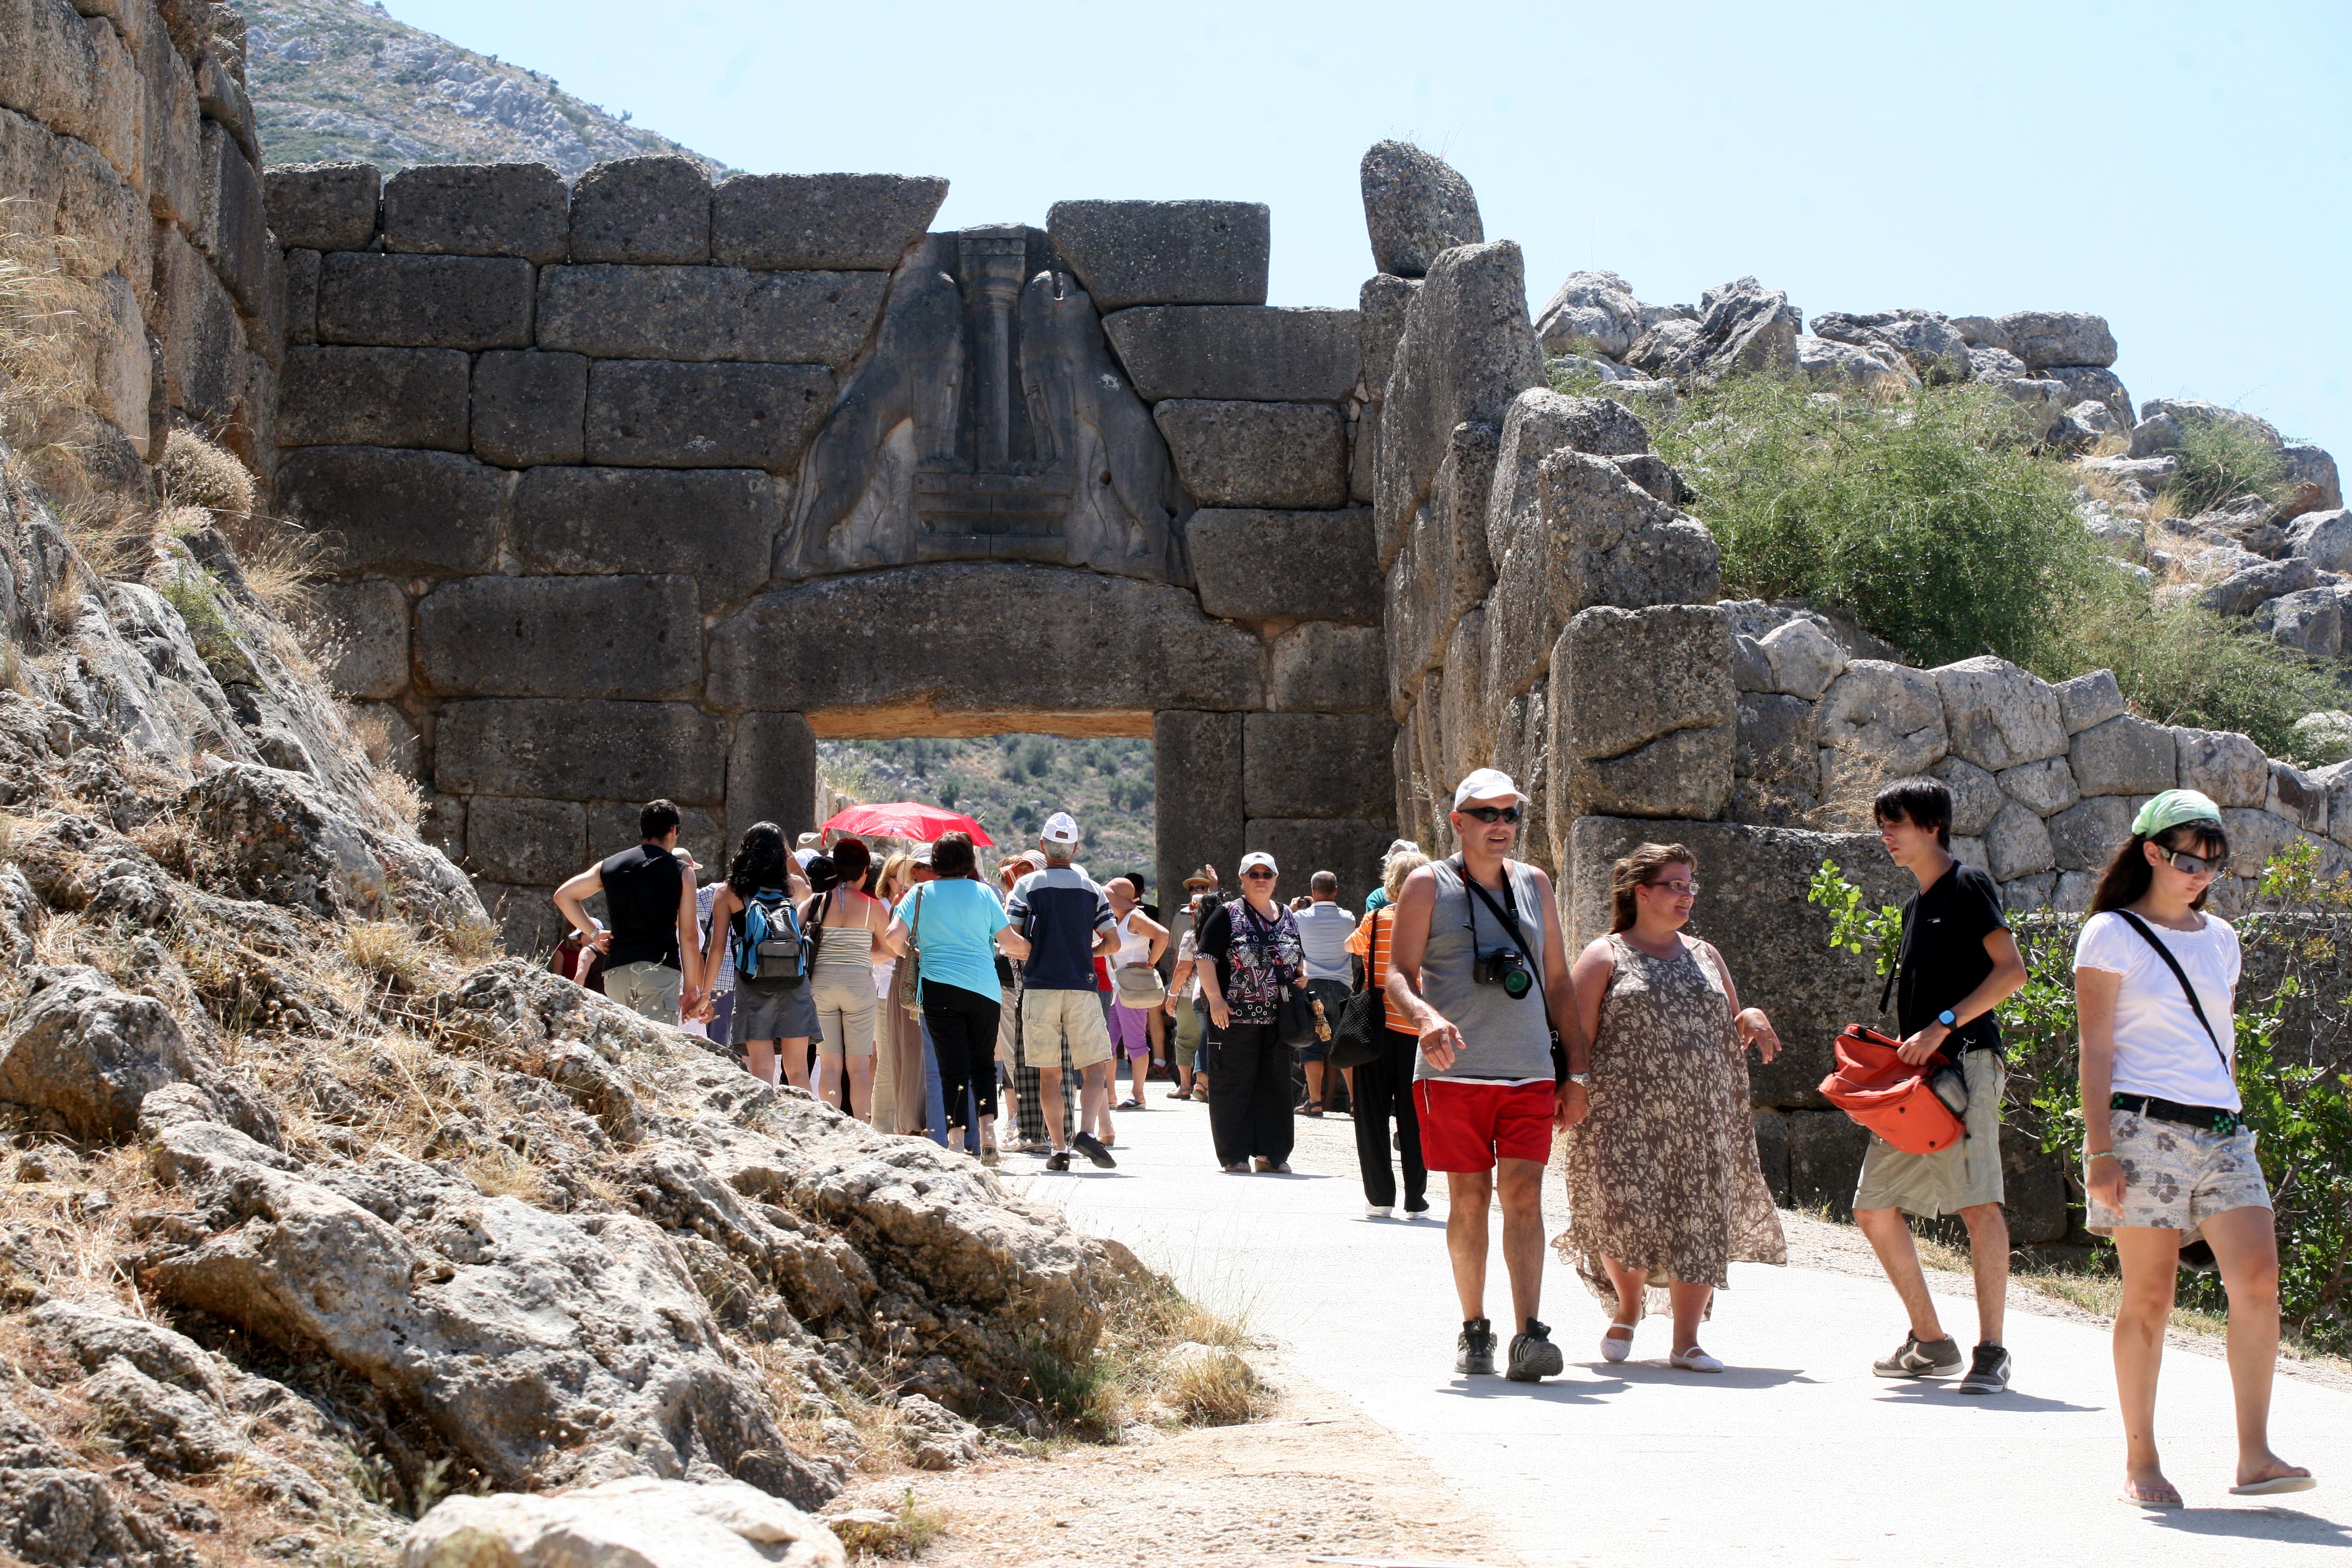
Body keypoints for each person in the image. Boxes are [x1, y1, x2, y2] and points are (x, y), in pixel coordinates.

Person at [2074, 790, 2313, 1506]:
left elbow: (2224, 1041)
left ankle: (2255, 1456)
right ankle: (2140, 1466)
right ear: (2151, 853)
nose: (2200, 873)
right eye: (2186, 860)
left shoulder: (2222, 938)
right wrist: (2098, 1151)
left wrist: (2236, 1114)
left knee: (2259, 1283)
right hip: (2143, 1129)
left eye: (2212, 862)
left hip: (2223, 1130)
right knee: (2149, 1294)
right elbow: (2095, 1047)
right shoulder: (2111, 933)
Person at [1384, 769, 1588, 1383]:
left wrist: (1576, 1072)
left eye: (1510, 814)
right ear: (1458, 822)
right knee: (1469, 1199)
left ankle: (1530, 1334)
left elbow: (1557, 980)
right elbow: (1397, 973)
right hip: (1454, 1074)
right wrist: (1425, 1017)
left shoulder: (1536, 884)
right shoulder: (1427, 884)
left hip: (1527, 1071)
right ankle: (1476, 1326)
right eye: (1487, 813)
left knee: (1524, 1193)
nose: (1501, 824)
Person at [1562, 843, 1788, 1373]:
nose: (1687, 895)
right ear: (1642, 892)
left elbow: (1727, 1026)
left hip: (1701, 1115)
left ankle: (1687, 1340)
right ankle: (1629, 1305)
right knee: (1623, 1211)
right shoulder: (1606, 954)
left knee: (1698, 1217)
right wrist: (1573, 1090)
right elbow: (1575, 1036)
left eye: (1691, 886)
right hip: (1624, 1113)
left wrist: (1751, 1015)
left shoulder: (1706, 954)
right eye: (1676, 885)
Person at [1856, 777, 2029, 1395]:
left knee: (1978, 1202)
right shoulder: (1914, 903)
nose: (1887, 836)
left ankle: (1993, 1349)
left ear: (1932, 825)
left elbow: (2013, 973)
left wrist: (1942, 1024)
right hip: (1920, 1080)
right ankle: (1930, 1340)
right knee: (1872, 1205)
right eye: (1883, 825)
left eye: (1896, 823)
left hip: (1968, 1066)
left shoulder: (1967, 885)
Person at [885, 832, 1013, 1164]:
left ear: (935, 862)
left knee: (951, 1067)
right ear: (970, 861)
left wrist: (914, 951)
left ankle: (956, 1142)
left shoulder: (920, 892)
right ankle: (988, 1133)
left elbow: (893, 938)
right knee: (984, 1062)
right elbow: (1008, 941)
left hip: (938, 987)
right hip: (984, 988)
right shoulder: (985, 893)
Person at [1006, 813, 1121, 1172]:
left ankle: (1058, 1150)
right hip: (1082, 987)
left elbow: (1012, 941)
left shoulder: (1025, 886)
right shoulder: (1092, 889)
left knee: (1049, 1075)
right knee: (1095, 1067)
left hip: (1040, 988)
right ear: (1074, 849)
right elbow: (1113, 942)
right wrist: (1088, 953)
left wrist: (1037, 954)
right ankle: (1086, 1131)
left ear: (1043, 847)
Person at [1196, 851, 1307, 1174]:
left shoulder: (1288, 915)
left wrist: (1303, 972)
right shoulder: (1226, 914)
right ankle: (1234, 1155)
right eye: (1254, 874)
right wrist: (1215, 999)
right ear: (1243, 879)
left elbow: (1298, 956)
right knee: (1234, 1085)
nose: (1261, 880)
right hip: (1234, 1017)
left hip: (1279, 1017)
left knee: (1276, 1087)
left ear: (1276, 879)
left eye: (1266, 874)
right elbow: (1205, 958)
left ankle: (1272, 1154)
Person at [554, 800, 704, 1025]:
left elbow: (563, 896)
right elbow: (689, 935)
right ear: (674, 831)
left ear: (642, 830)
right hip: (659, 971)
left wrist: (594, 933)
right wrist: (691, 988)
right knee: (657, 1053)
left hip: (617, 971)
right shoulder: (682, 871)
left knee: (623, 1049)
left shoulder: (610, 865)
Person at [698, 822, 819, 1088]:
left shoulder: (729, 892)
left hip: (752, 983)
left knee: (762, 1067)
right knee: (798, 1070)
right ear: (780, 853)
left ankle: (766, 1128)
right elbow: (809, 889)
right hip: (793, 980)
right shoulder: (791, 886)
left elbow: (717, 947)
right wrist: (787, 853)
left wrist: (705, 995)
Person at [1347, 848, 1430, 1218]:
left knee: (1372, 1116)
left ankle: (1380, 1198)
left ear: (1392, 884)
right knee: (1415, 1120)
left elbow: (1351, 947)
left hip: (1374, 1030)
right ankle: (1417, 1199)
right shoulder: (1437, 923)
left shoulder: (1377, 918)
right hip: (1416, 1031)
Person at [804, 836, 892, 1121]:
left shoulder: (817, 901)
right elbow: (891, 950)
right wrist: (867, 955)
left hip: (821, 985)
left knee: (829, 1064)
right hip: (859, 987)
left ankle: (831, 1126)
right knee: (858, 1067)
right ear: (866, 870)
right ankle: (863, 1127)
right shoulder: (872, 906)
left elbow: (795, 933)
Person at [1294, 870, 1357, 1116]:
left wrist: (1295, 909)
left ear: (1313, 892)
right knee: (1343, 1044)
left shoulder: (1300, 917)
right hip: (1342, 986)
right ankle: (1354, 1102)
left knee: (1311, 1043)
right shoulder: (1348, 918)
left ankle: (1315, 1100)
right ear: (1336, 892)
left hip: (1312, 986)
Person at [1105, 877, 1169, 1113]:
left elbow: (1163, 934)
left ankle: (1138, 1094)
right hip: (1115, 987)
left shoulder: (1135, 917)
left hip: (1132, 987)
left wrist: (1150, 963)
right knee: (1107, 1044)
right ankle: (1110, 1095)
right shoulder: (1113, 919)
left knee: (1135, 1043)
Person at [871, 851, 919, 1132]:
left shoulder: (914, 904)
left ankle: (905, 1121)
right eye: (899, 877)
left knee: (908, 1059)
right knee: (888, 1060)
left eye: (909, 876)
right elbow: (874, 953)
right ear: (887, 879)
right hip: (885, 988)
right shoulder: (881, 906)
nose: (904, 882)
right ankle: (883, 1126)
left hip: (909, 990)